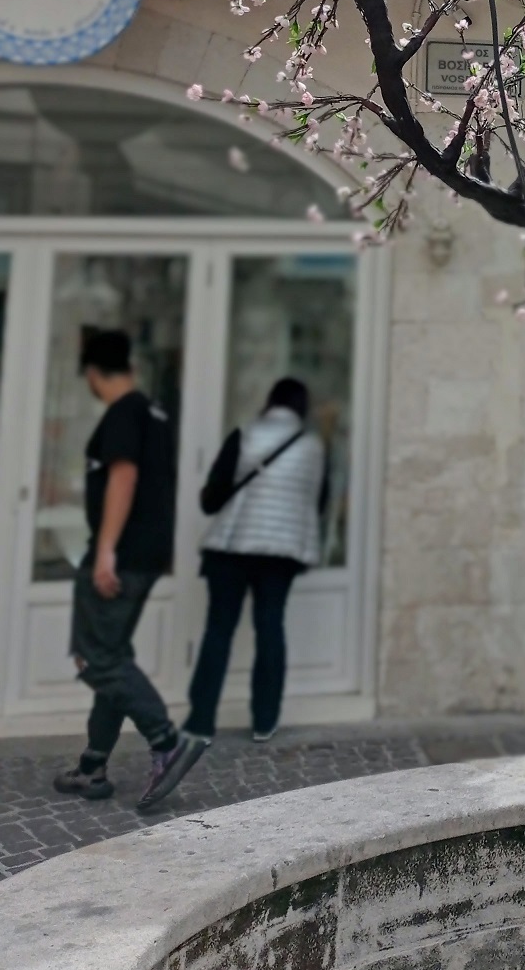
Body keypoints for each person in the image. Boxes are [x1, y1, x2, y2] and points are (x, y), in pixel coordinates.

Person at [53, 330, 207, 810]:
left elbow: (123, 477)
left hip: (123, 554)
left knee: (96, 657)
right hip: (147, 552)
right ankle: (94, 765)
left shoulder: (123, 413)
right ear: (131, 367)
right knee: (110, 654)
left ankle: (166, 741)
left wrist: (105, 552)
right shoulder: (153, 412)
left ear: (94, 375)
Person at [183, 377, 326, 744]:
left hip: (232, 547)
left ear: (270, 401)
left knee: (219, 629)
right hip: (282, 552)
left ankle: (200, 722)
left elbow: (211, 498)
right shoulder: (313, 446)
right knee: (270, 628)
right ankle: (265, 721)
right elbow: (318, 502)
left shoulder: (245, 434)